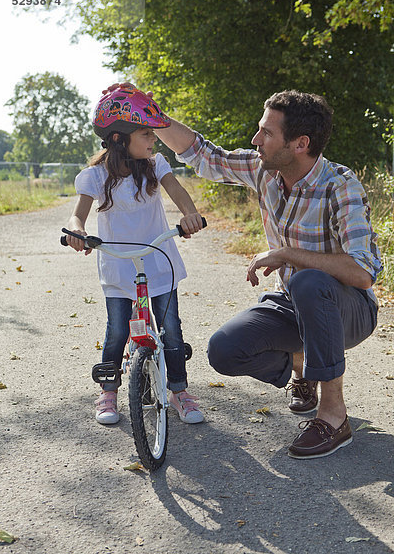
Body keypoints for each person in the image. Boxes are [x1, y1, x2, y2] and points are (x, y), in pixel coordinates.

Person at [105, 83, 381, 459]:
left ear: (300, 144)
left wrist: (287, 253)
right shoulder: (264, 170)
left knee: (310, 280)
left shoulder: (340, 186)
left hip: (349, 310)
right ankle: (302, 365)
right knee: (225, 350)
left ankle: (334, 416)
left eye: (267, 133)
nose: (256, 139)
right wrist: (154, 116)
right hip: (295, 304)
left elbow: (363, 272)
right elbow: (204, 155)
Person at [65, 87, 205, 425]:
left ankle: (178, 390)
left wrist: (190, 214)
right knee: (116, 331)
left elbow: (179, 192)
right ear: (119, 138)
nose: (153, 139)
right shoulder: (97, 176)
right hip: (117, 264)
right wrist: (78, 232)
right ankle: (109, 392)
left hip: (158, 259)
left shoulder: (155, 165)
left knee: (170, 328)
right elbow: (77, 216)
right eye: (145, 133)